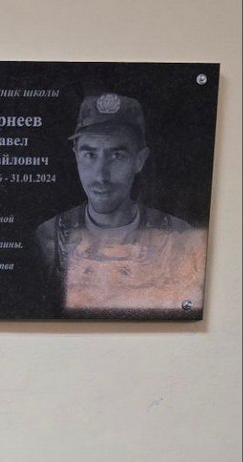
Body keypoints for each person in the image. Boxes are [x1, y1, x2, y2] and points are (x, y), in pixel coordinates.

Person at [35, 93, 201, 311]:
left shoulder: (177, 236)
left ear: (139, 160)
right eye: (90, 155)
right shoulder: (48, 237)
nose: (101, 176)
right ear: (76, 156)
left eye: (117, 156)